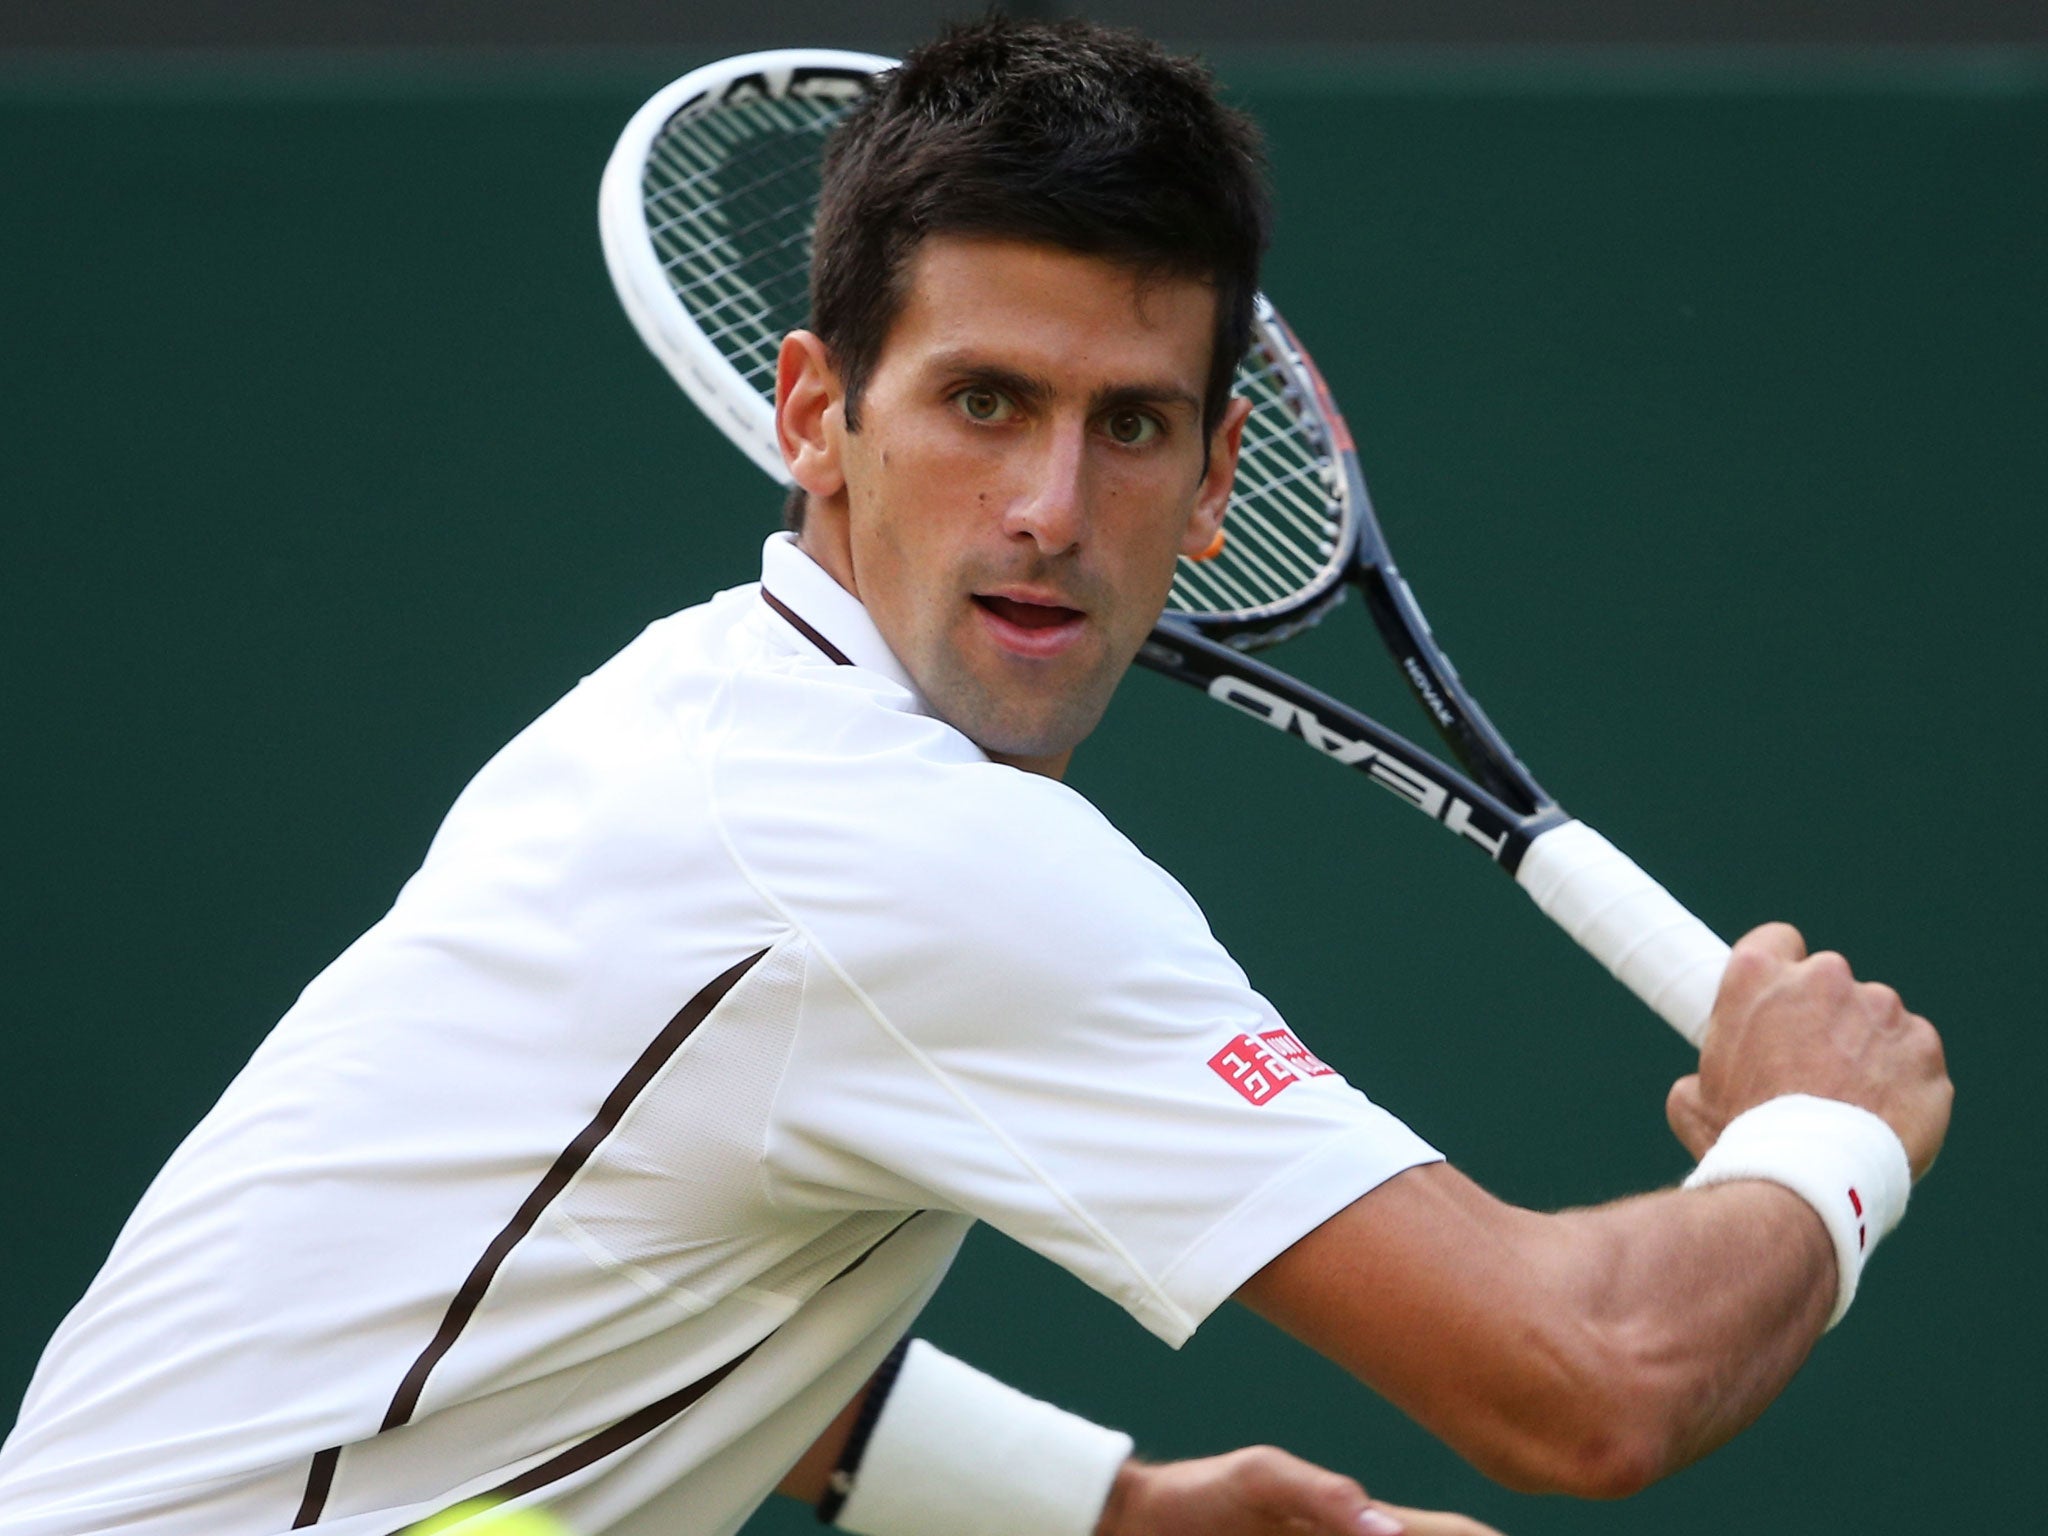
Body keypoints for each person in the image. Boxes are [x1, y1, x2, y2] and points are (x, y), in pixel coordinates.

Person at [0, 17, 1948, 1536]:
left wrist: (1094, 1505)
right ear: (816, 412)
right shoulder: (900, 857)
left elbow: (599, 1276)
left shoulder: (692, 713)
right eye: (983, 402)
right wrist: (1823, 1136)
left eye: (1129, 427)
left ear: (1209, 488)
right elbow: (1584, 1383)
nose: (1045, 506)